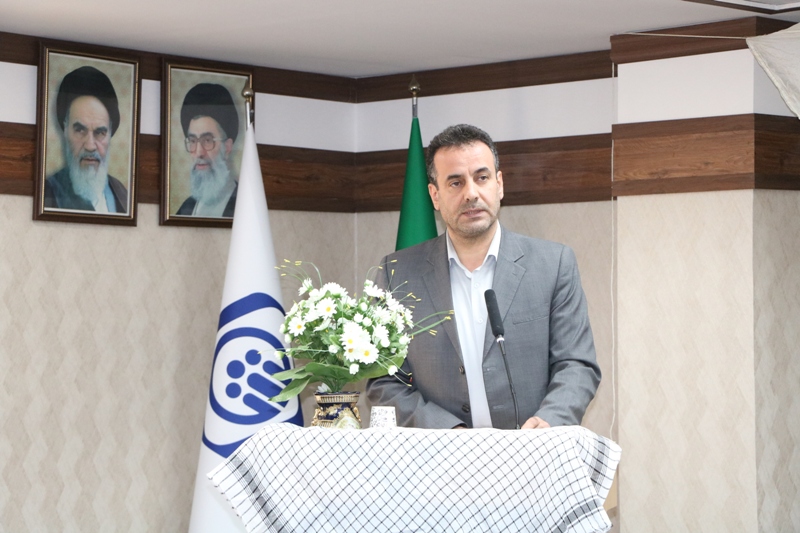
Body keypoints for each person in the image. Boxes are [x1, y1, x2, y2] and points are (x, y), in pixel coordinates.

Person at [366, 124, 600, 430]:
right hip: (441, 454)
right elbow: (384, 380)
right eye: (455, 183)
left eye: (482, 177)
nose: (471, 193)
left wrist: (548, 421)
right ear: (435, 195)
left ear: (499, 184)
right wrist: (451, 433)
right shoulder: (397, 274)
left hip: (530, 449)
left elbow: (577, 364)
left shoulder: (553, 265)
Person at [45, 66, 128, 213]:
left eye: (100, 133)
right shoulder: (48, 192)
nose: (90, 146)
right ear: (65, 129)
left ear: (110, 133)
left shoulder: (121, 193)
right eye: (80, 130)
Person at [176, 83, 239, 218]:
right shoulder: (186, 209)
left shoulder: (244, 205)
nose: (199, 152)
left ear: (227, 147)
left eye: (208, 140)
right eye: (193, 141)